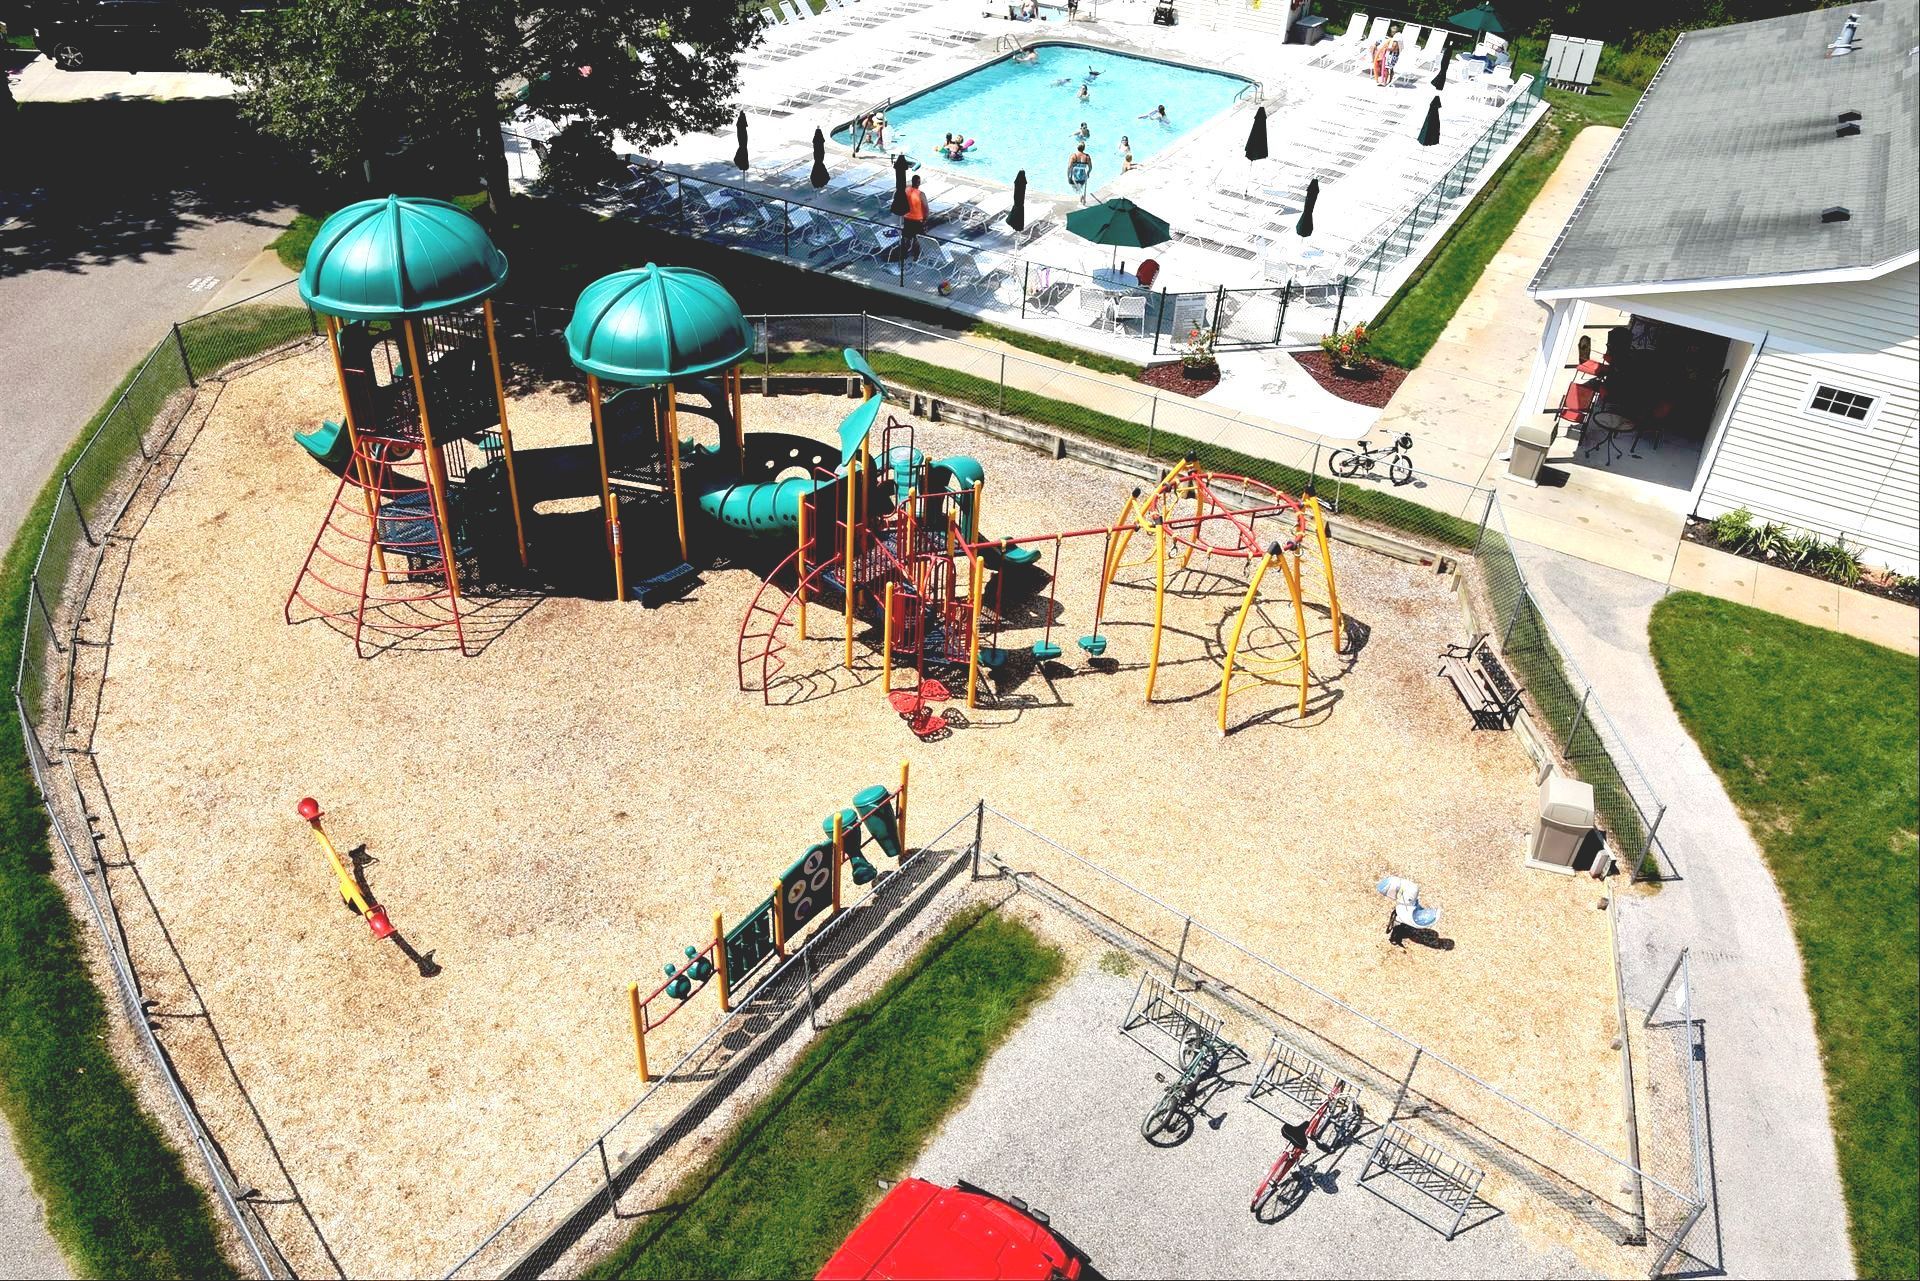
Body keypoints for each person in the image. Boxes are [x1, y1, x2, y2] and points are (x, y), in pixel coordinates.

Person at [901, 173, 929, 261]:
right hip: (917, 219)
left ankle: (904, 253)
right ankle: (916, 255)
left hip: (907, 218)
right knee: (918, 237)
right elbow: (926, 207)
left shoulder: (906, 190)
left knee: (907, 236)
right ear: (919, 183)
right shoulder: (921, 194)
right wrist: (925, 218)